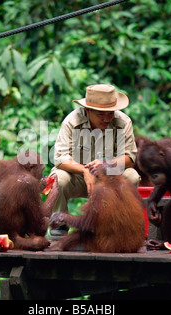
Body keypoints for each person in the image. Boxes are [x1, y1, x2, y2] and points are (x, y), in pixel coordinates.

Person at [49, 84, 140, 235]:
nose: (106, 118)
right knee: (58, 178)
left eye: (110, 113)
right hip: (78, 179)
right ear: (87, 110)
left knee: (131, 176)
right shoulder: (72, 121)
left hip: (110, 177)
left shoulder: (123, 122)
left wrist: (106, 165)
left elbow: (130, 157)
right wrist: (84, 171)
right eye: (100, 114)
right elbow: (59, 158)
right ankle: (59, 224)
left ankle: (120, 223)